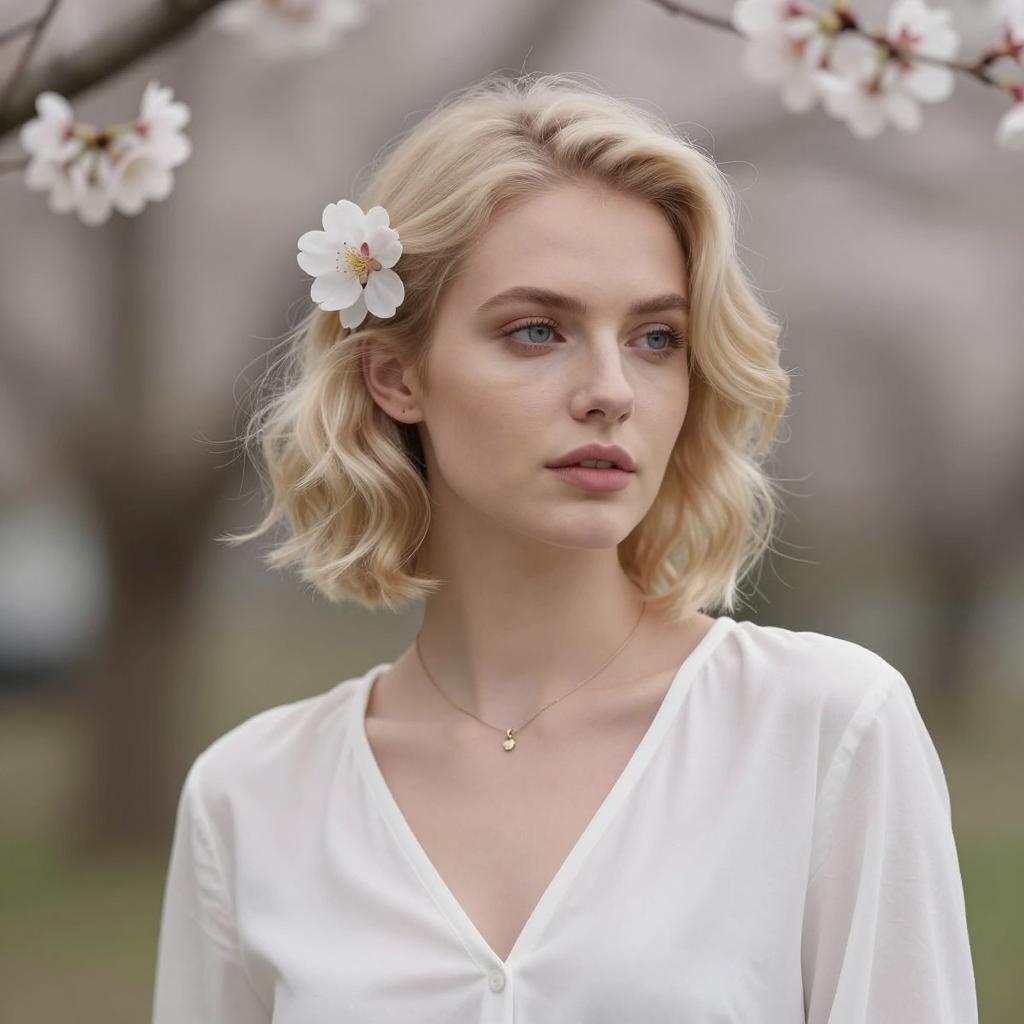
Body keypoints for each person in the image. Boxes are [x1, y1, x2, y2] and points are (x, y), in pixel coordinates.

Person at [151, 72, 978, 1022]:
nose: (610, 389)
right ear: (394, 377)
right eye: (537, 330)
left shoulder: (826, 730)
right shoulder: (252, 800)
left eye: (656, 338)